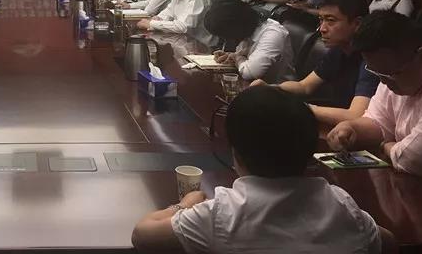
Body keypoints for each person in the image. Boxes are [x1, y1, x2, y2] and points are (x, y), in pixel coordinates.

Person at [131, 85, 396, 253]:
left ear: (235, 152)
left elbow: (142, 234)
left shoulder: (222, 214)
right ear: (310, 152)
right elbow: (389, 242)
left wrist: (185, 204)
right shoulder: (342, 207)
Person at [252, 0, 380, 126]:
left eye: (331, 20)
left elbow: (355, 115)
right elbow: (304, 86)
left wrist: (299, 108)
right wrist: (271, 89)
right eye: (321, 20)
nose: (322, 29)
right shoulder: (338, 50)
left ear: (357, 24)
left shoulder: (372, 58)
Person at [328, 11, 422, 177]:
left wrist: (387, 146)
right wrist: (352, 128)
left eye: (389, 75)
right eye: (377, 73)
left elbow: (416, 158)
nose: (384, 82)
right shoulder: (394, 68)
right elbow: (379, 121)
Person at [204, 0, 295, 83]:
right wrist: (231, 56)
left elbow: (250, 72)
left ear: (235, 27)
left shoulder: (273, 34)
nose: (227, 40)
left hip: (279, 90)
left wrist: (236, 57)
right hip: (254, 86)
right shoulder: (249, 29)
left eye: (226, 36)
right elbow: (244, 58)